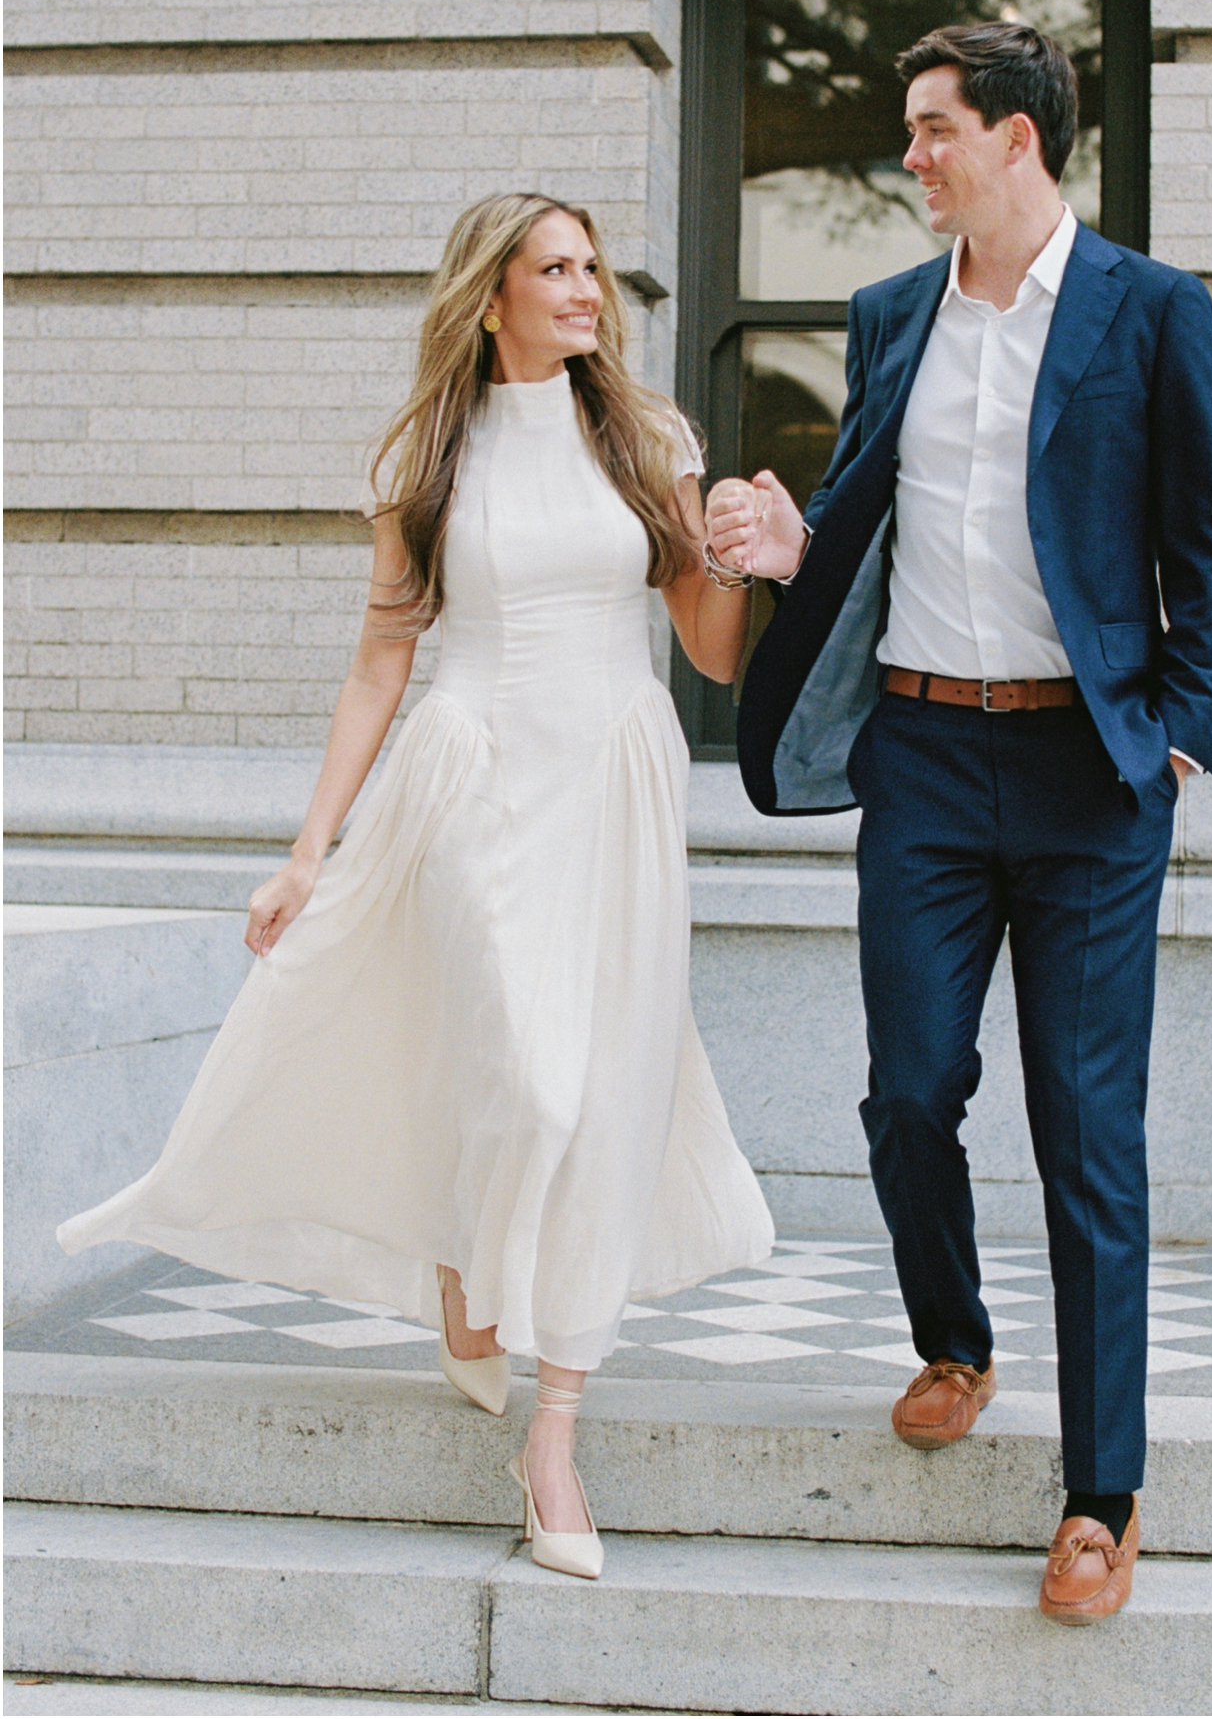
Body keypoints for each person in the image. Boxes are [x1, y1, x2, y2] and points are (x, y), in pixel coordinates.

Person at [60, 191, 774, 1583]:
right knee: (530, 1080)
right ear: (490, 295)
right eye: (552, 269)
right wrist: (307, 849)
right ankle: (464, 1258)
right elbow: (382, 660)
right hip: (471, 774)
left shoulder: (648, 440)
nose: (585, 289)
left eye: (588, 268)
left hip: (618, 780)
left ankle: (553, 1433)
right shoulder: (427, 457)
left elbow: (714, 650)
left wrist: (743, 560)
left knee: (606, 1103)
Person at [706, 24, 1212, 1623]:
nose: (913, 157)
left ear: (1018, 140)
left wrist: (1182, 746)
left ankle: (1101, 1499)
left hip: (1093, 778)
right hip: (928, 764)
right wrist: (784, 537)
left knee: (1090, 1140)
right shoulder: (892, 318)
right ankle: (955, 1341)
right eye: (911, 128)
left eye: (935, 128)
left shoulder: (1152, 314)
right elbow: (859, 517)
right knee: (903, 1094)